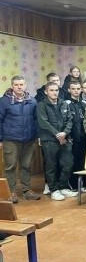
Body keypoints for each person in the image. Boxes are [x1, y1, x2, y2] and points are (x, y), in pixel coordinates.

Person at [0, 75, 39, 203]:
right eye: (16, 85)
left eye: (21, 84)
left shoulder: (32, 101)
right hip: (10, 139)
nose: (19, 87)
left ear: (25, 85)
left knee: (26, 165)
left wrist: (37, 136)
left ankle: (27, 190)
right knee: (10, 167)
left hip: (29, 139)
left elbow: (36, 120)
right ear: (12, 86)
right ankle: (11, 192)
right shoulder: (4, 101)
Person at [37, 82, 77, 201]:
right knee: (51, 166)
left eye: (56, 90)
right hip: (49, 139)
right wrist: (57, 134)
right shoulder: (42, 105)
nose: (55, 92)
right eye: (52, 90)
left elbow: (70, 120)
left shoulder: (64, 103)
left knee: (68, 163)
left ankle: (63, 186)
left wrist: (64, 133)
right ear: (46, 92)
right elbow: (43, 122)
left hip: (65, 138)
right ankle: (54, 190)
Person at [66, 81, 86, 191]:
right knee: (72, 162)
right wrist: (68, 136)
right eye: (73, 89)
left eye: (78, 89)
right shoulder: (66, 104)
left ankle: (84, 184)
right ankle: (74, 186)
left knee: (83, 161)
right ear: (69, 90)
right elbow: (65, 121)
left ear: (81, 90)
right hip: (72, 138)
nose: (76, 91)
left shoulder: (84, 104)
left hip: (83, 138)